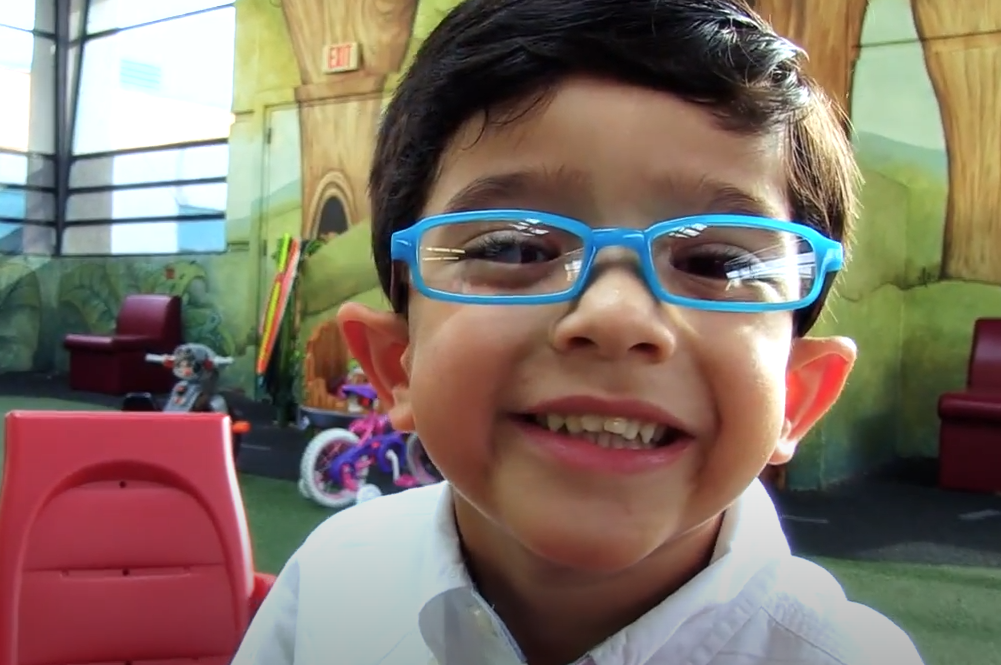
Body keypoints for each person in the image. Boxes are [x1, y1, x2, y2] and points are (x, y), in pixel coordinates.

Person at [233, 0, 924, 663]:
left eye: (717, 262)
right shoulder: (331, 586)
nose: (617, 316)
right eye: (512, 248)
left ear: (798, 394)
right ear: (397, 366)